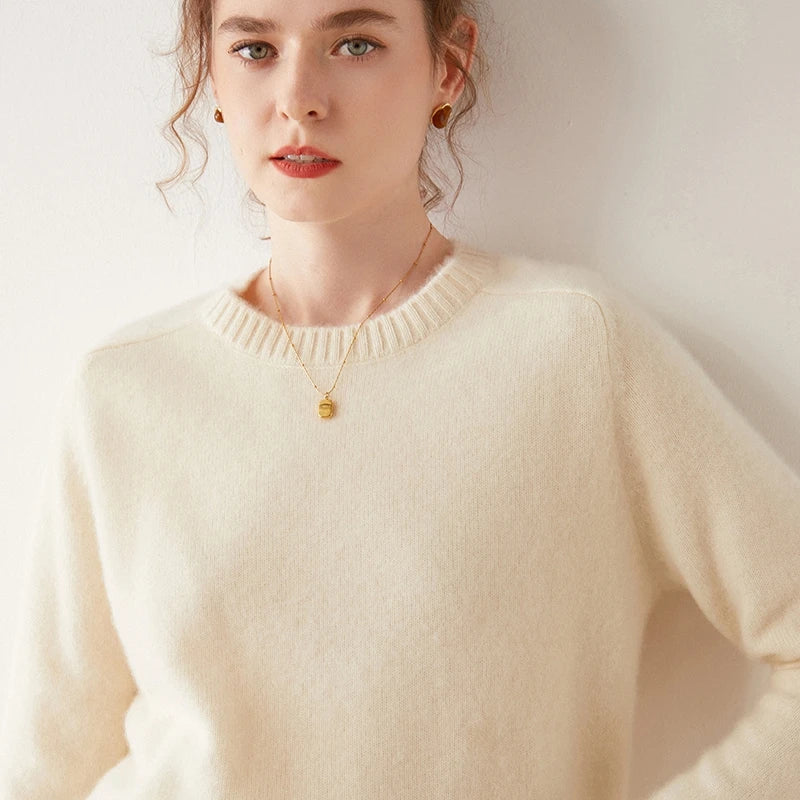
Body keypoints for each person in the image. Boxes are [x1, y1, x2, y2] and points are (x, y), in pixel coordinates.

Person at [1, 0, 799, 797]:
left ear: (448, 66)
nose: (299, 98)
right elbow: (46, 767)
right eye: (254, 49)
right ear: (211, 71)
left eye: (354, 44)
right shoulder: (123, 390)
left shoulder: (576, 348)